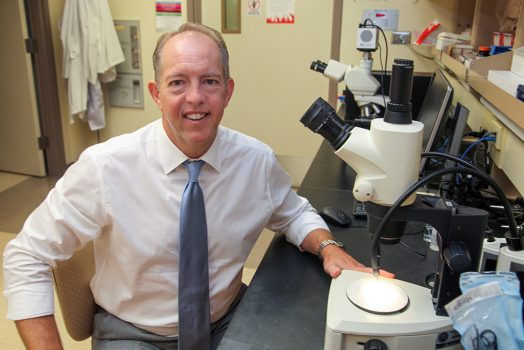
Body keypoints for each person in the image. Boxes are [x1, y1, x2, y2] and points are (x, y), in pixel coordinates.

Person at [3, 23, 390, 350]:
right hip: (133, 333)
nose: (195, 98)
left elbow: (293, 212)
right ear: (156, 94)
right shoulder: (105, 167)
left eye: (209, 81)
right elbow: (26, 257)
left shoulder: (254, 161)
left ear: (227, 91)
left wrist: (328, 247)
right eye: (177, 82)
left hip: (225, 320)